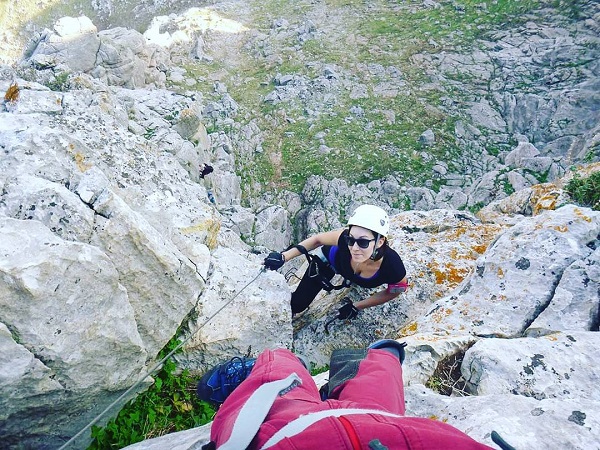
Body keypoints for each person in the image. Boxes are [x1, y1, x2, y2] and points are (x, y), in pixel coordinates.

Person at [196, 339, 495, 449]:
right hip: (382, 425)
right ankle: (377, 359)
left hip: (282, 431)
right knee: (384, 358)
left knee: (279, 367)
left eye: (363, 241)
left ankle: (279, 368)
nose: (355, 246)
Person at [263, 204, 408, 318]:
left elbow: (394, 291)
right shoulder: (344, 240)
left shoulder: (392, 266)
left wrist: (357, 306)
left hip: (344, 268)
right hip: (327, 262)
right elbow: (317, 240)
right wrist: (284, 257)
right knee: (297, 305)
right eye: (350, 240)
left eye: (363, 243)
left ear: (380, 242)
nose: (354, 248)